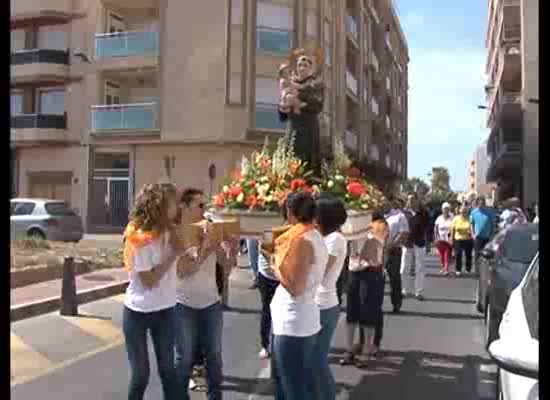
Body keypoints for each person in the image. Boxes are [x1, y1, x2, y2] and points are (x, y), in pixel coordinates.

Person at [122, 183, 186, 400]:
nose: (177, 207)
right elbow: (149, 280)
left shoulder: (172, 231)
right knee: (141, 375)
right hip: (137, 312)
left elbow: (183, 265)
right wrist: (173, 254)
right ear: (159, 206)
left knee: (168, 371)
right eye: (173, 202)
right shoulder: (138, 236)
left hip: (166, 310)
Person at [174, 188, 239, 400]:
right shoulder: (178, 233)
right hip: (183, 304)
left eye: (206, 205)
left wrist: (232, 248)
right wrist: (205, 249)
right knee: (184, 358)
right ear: (184, 207)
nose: (205, 210)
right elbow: (182, 271)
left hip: (211, 302)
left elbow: (227, 267)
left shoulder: (209, 230)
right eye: (200, 206)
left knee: (214, 356)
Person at [270, 192, 328, 400]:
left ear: (290, 213)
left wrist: (273, 264)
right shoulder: (312, 235)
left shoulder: (302, 241)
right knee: (296, 386)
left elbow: (295, 287)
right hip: (298, 321)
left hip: (294, 325)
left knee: (292, 390)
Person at [340, 211, 388, 368]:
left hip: (371, 272)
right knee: (351, 312)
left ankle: (367, 349)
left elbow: (374, 247)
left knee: (368, 312)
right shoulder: (350, 225)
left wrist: (360, 232)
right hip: (354, 271)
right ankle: (349, 349)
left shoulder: (379, 225)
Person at [312, 194, 348, 399]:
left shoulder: (336, 239)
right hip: (316, 304)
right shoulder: (323, 237)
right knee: (312, 359)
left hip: (323, 305)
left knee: (317, 359)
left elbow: (321, 272)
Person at [278, 50, 325, 176]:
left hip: (309, 131)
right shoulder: (288, 84)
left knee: (309, 166)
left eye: (305, 65)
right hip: (293, 129)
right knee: (291, 162)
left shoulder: (316, 85)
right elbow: (282, 117)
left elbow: (317, 105)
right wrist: (283, 107)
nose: (302, 67)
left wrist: (298, 99)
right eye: (299, 65)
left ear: (311, 68)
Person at [401, 193, 430, 300]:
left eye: (413, 199)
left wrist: (428, 243)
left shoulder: (424, 213)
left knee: (420, 268)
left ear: (417, 200)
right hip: (407, 243)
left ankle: (419, 291)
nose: (411, 201)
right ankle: (404, 290)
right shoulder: (404, 213)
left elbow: (428, 228)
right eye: (409, 199)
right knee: (404, 267)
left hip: (419, 242)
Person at [470, 196, 496, 272]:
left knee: (487, 255)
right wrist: (473, 234)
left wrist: (492, 235)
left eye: (483, 202)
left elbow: (493, 224)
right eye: (480, 202)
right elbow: (471, 224)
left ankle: (486, 269)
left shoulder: (489, 212)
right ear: (477, 203)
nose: (481, 204)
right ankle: (477, 270)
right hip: (478, 237)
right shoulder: (474, 212)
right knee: (477, 254)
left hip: (487, 237)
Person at [450, 205, 474, 276]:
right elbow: (452, 229)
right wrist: (451, 238)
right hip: (458, 239)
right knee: (458, 254)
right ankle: (458, 269)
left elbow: (471, 228)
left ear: (467, 211)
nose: (463, 211)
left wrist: (471, 233)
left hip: (468, 239)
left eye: (465, 210)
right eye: (462, 210)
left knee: (468, 255)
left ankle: (468, 269)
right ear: (459, 211)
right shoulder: (456, 218)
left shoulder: (469, 218)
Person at [433, 202, 454, 275]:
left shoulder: (452, 217)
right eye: (445, 209)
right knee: (441, 255)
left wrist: (451, 238)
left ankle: (446, 269)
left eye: (447, 209)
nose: (446, 210)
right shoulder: (439, 218)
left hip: (448, 240)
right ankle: (443, 267)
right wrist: (436, 237)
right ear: (442, 210)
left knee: (447, 255)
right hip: (440, 239)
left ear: (449, 209)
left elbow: (453, 228)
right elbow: (435, 228)